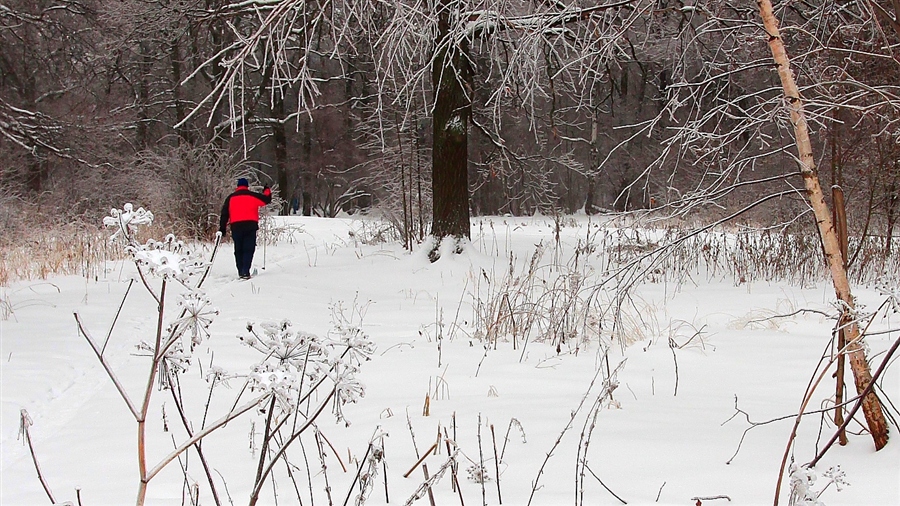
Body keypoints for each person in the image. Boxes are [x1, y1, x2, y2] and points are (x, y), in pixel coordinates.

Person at [219, 178, 272, 279]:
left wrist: (222, 228)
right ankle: (245, 271)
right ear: (247, 186)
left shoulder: (230, 198)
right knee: (248, 248)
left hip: (236, 226)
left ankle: (240, 271)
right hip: (250, 225)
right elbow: (266, 199)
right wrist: (266, 190)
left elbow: (224, 214)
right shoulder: (252, 196)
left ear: (237, 186)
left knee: (238, 249)